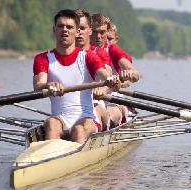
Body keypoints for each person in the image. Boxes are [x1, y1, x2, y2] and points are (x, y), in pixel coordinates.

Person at [33, 9, 119, 143]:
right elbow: (38, 85)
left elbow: (105, 74)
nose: (65, 30)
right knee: (50, 123)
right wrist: (48, 85)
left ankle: (71, 158)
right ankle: (50, 157)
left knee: (78, 130)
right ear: (54, 30)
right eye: (60, 26)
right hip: (60, 119)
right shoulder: (43, 58)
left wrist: (111, 79)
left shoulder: (88, 57)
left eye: (69, 27)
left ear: (77, 31)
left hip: (86, 119)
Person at [91, 13, 140, 127]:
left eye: (102, 32)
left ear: (107, 32)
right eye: (94, 32)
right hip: (89, 98)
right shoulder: (82, 50)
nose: (98, 36)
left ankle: (111, 123)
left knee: (109, 112)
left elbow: (135, 75)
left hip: (112, 98)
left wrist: (128, 73)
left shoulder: (113, 49)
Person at [74, 8, 112, 131]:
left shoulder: (99, 53)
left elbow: (109, 76)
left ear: (89, 31)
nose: (78, 32)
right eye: (76, 28)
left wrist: (103, 89)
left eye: (82, 28)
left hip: (95, 104)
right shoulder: (59, 55)